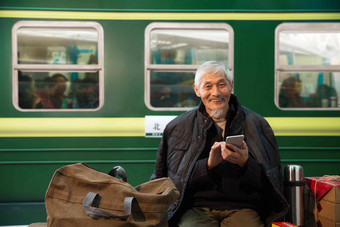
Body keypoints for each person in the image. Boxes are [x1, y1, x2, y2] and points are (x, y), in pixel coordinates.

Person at [151, 61, 289, 227]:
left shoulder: (257, 124)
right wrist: (208, 165)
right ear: (197, 90)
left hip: (244, 208)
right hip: (195, 208)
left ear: (231, 86)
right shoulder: (178, 127)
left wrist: (246, 164)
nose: (215, 93)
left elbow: (271, 184)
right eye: (207, 86)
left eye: (221, 84)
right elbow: (167, 179)